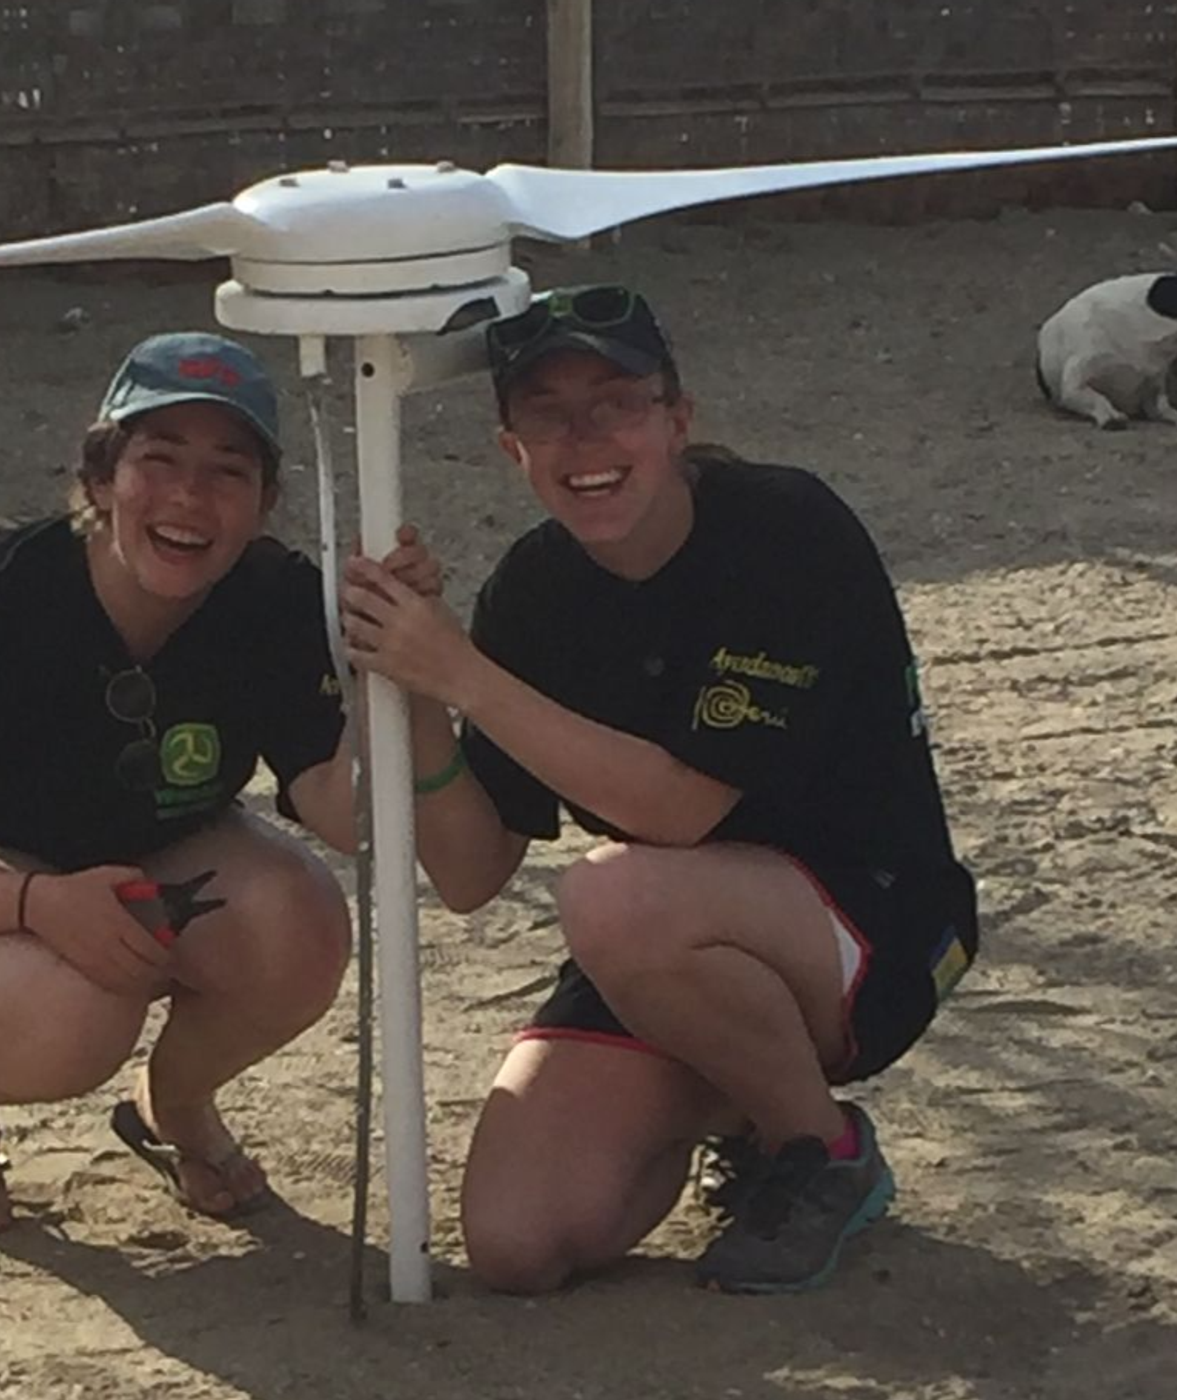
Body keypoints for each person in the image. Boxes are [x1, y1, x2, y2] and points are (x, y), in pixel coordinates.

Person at [340, 284, 979, 1295]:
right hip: (667, 941)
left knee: (606, 892)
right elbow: (467, 869)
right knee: (517, 1240)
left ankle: (816, 1145)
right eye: (546, 412)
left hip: (873, 919)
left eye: (615, 401)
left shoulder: (785, 529)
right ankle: (730, 1086)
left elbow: (677, 809)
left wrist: (460, 670)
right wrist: (412, 675)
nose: (583, 436)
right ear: (511, 449)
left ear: (677, 419)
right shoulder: (534, 588)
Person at [0, 331, 391, 1233]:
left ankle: (178, 1105)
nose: (189, 498)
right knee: (71, 1017)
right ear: (99, 477)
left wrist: (404, 667)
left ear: (266, 502)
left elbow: (347, 813)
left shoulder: (277, 601)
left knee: (302, 923)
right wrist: (40, 903)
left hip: (145, 856)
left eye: (227, 472)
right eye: (157, 460)